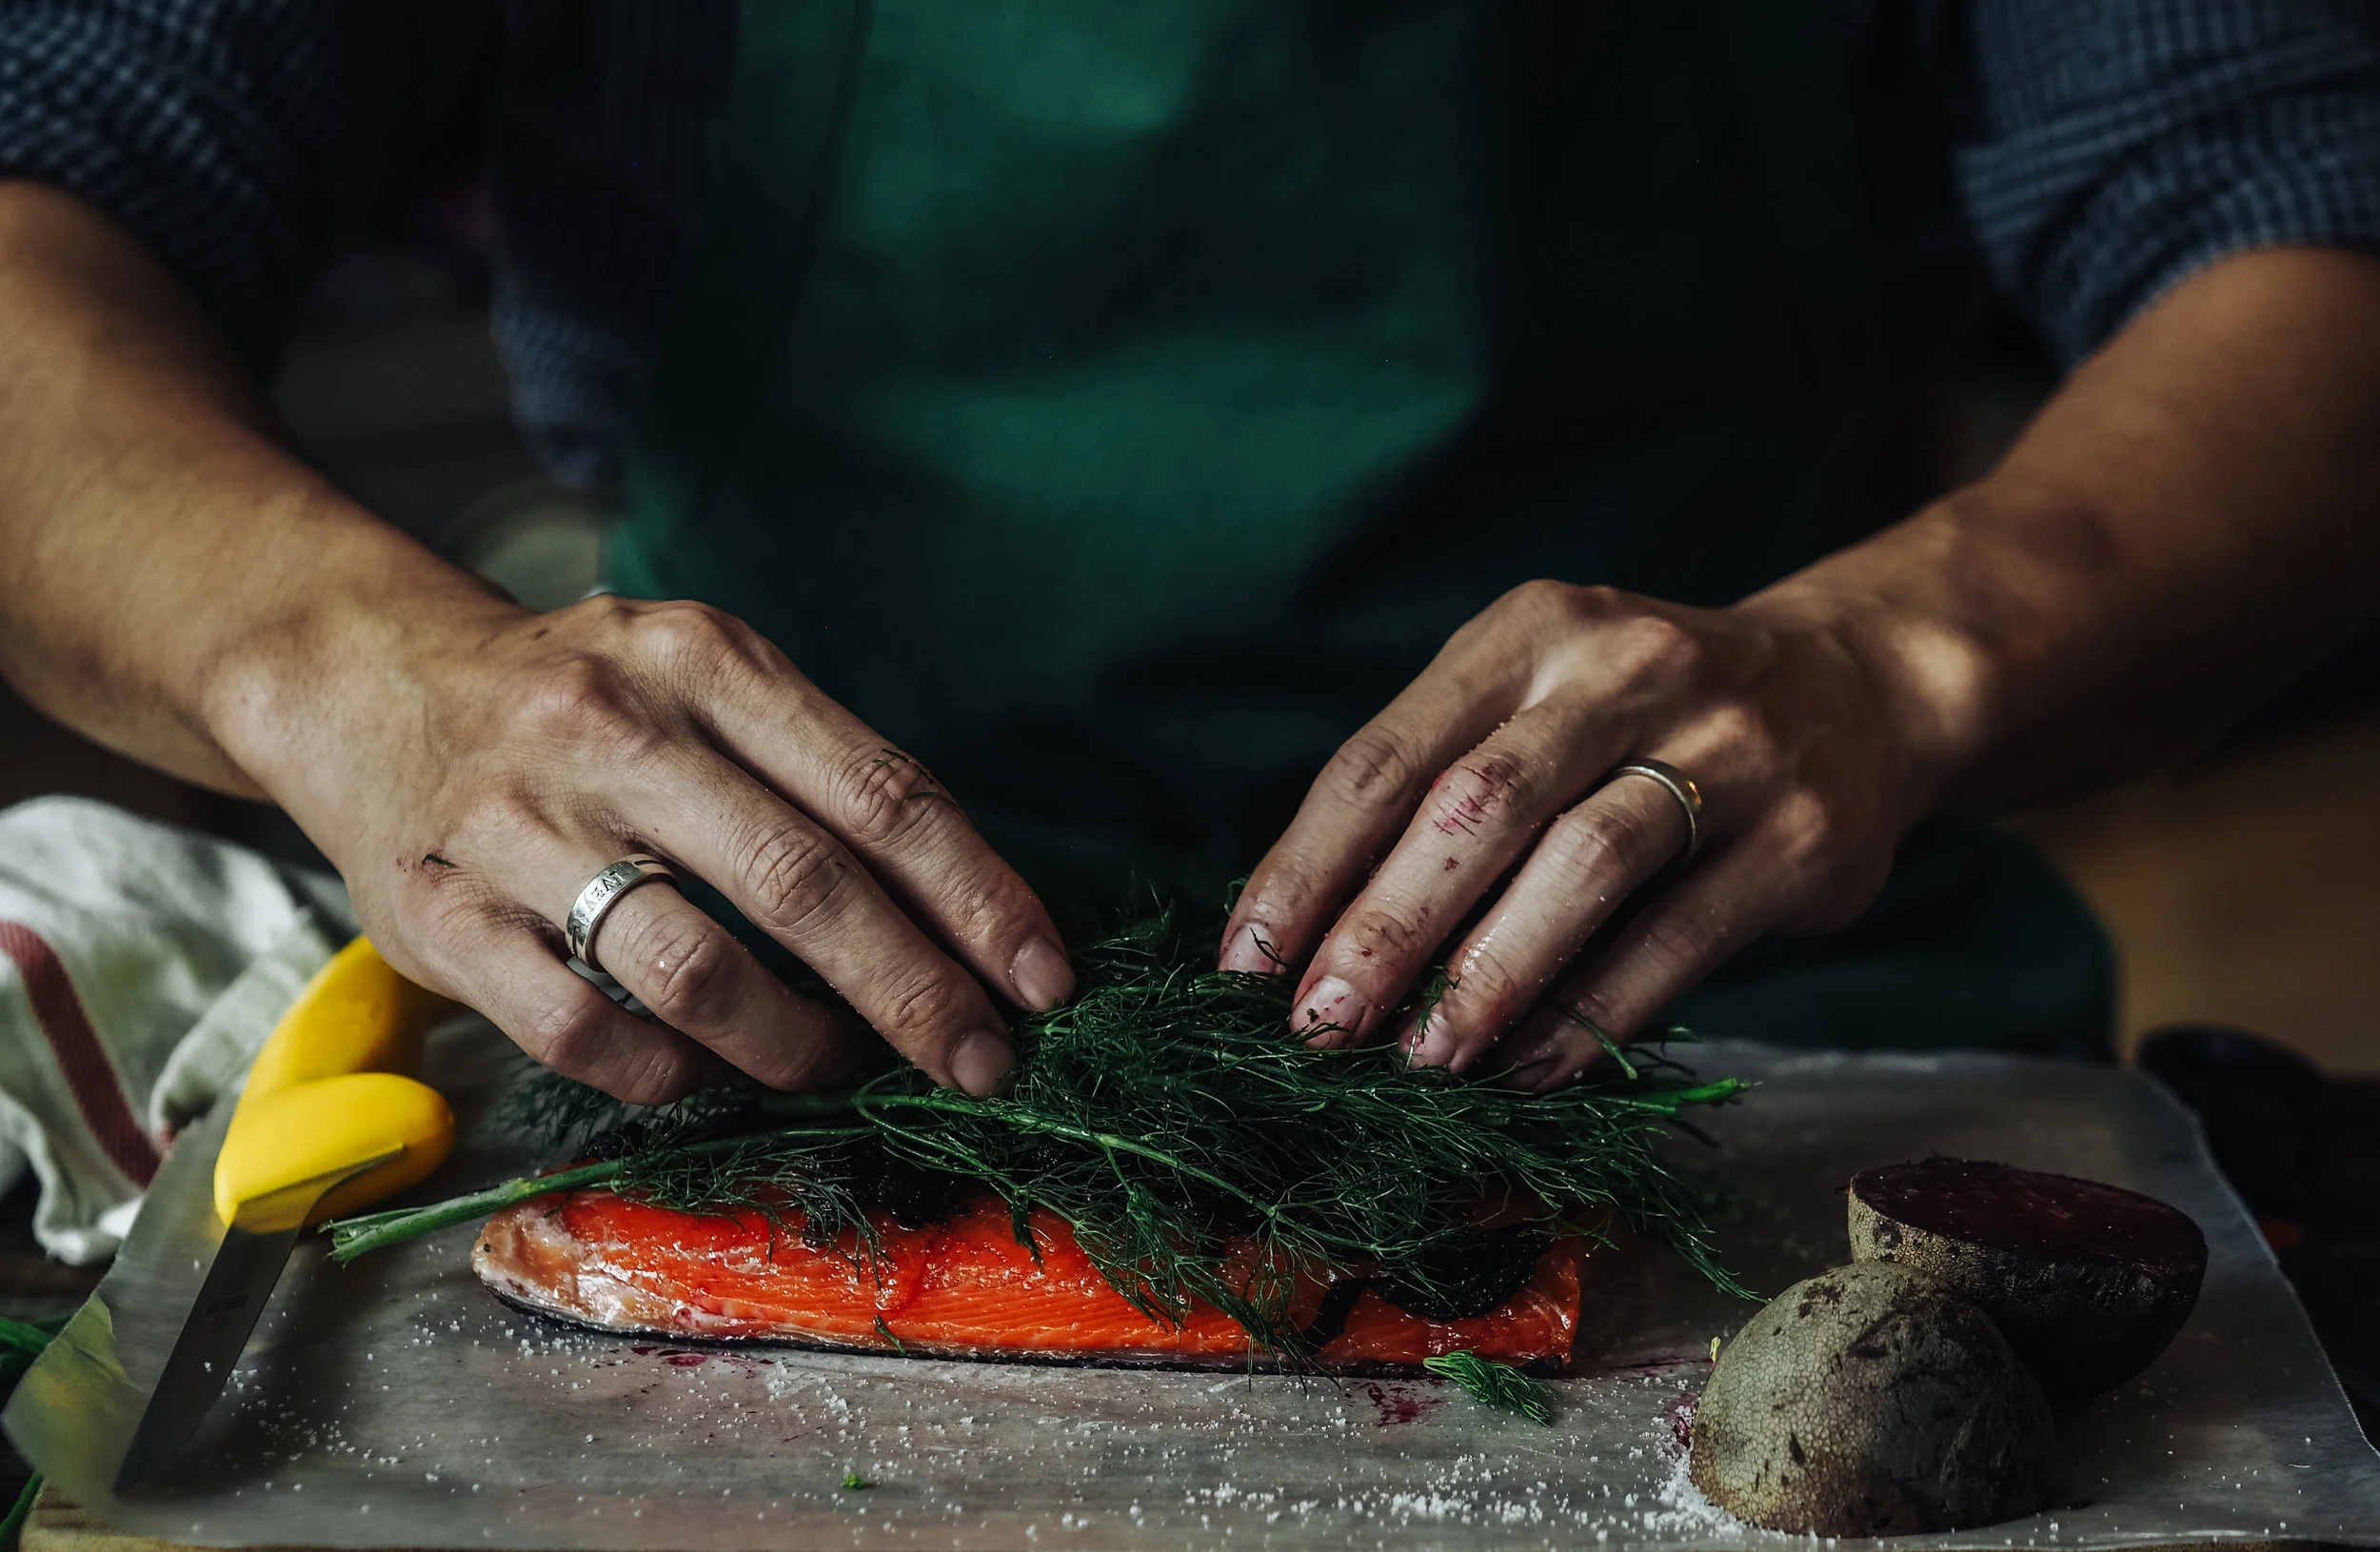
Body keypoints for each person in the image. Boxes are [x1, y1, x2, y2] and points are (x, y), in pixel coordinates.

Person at [1, 1, 2376, 1107]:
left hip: (1724, 1028)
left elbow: (2296, 224)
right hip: (753, 1057)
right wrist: (350, 662)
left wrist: (1895, 660)